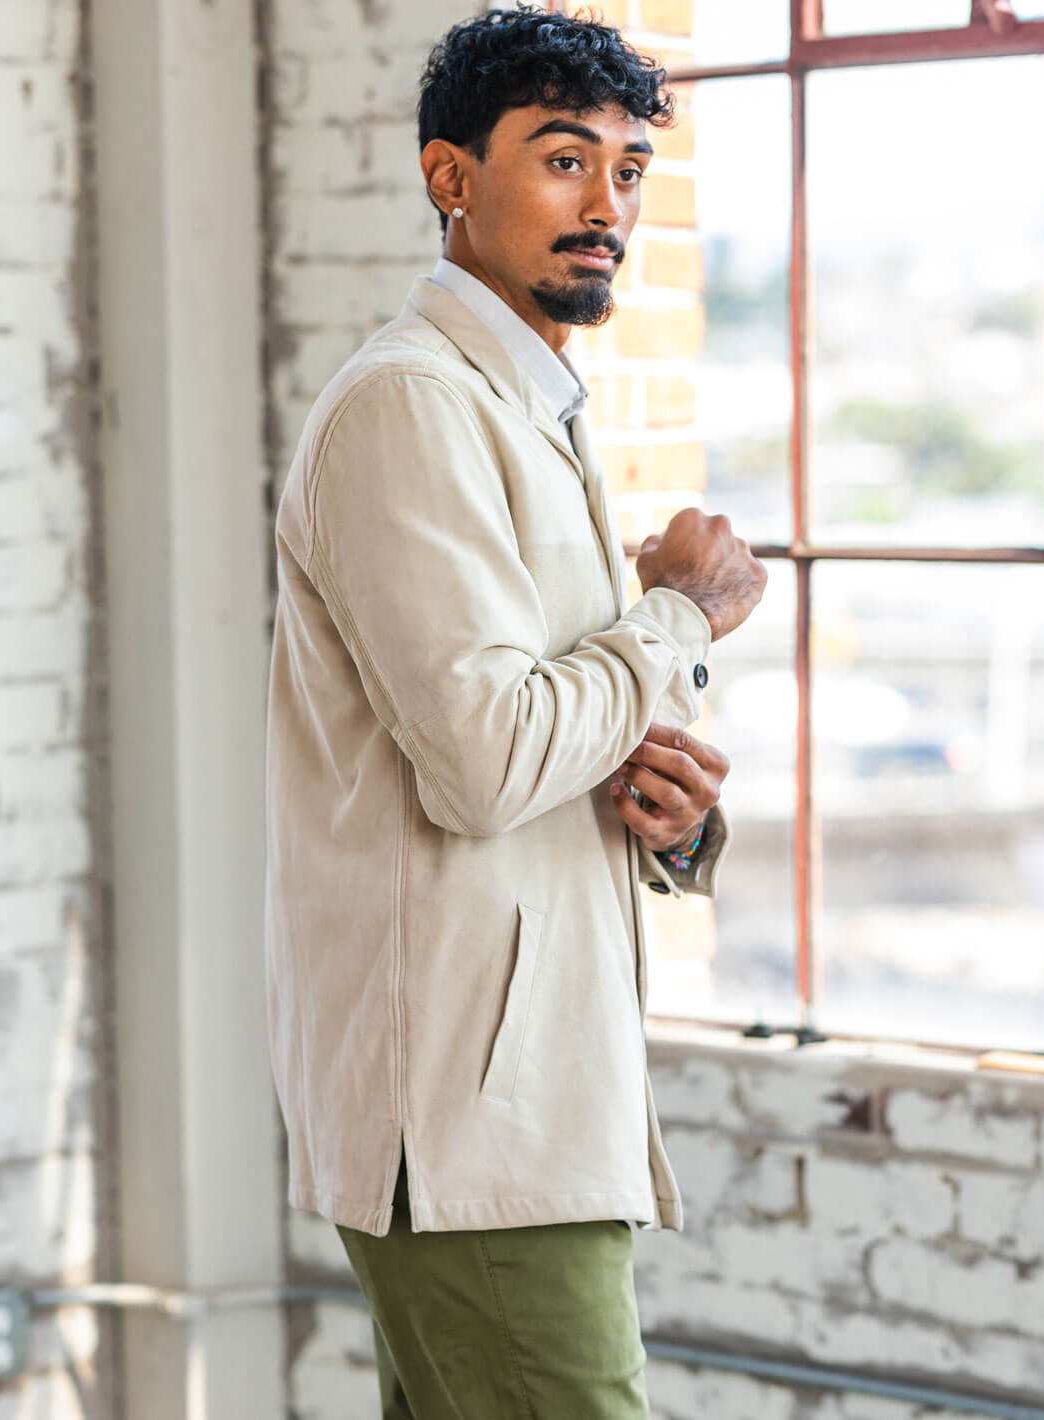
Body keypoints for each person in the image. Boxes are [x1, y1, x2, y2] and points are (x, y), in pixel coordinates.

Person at [263, 5, 767, 1415]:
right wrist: (682, 616)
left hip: (530, 1100)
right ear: (450, 177)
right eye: (561, 159)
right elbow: (486, 765)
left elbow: (526, 735)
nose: (603, 205)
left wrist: (667, 823)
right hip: (472, 1121)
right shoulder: (410, 409)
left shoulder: (527, 408)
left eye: (625, 170)